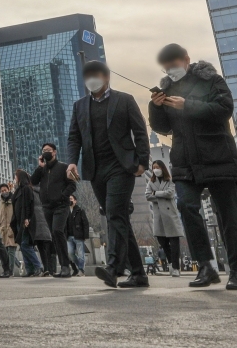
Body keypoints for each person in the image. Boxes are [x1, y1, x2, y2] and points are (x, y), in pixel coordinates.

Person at [148, 44, 237, 291]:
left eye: (174, 64)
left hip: (217, 156)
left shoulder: (211, 80)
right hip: (184, 160)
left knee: (228, 214)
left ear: (186, 59)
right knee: (186, 206)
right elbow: (162, 128)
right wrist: (156, 106)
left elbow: (224, 109)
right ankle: (205, 266)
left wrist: (188, 105)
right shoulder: (167, 88)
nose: (170, 70)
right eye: (166, 66)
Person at [66, 60, 150, 288]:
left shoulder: (125, 100)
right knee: (118, 217)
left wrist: (143, 161)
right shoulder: (80, 106)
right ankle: (139, 273)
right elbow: (74, 137)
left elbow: (140, 132)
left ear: (106, 77)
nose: (92, 79)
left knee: (114, 214)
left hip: (121, 167)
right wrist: (72, 161)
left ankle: (113, 267)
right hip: (96, 170)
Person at [31, 142, 76, 278]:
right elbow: (33, 181)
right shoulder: (43, 170)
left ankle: (65, 267)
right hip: (47, 207)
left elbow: (72, 185)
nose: (45, 152)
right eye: (43, 150)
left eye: (48, 150)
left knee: (57, 231)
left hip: (61, 205)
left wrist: (63, 195)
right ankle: (67, 265)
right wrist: (40, 167)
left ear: (54, 152)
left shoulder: (63, 167)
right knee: (54, 236)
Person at [145, 160, 184, 278]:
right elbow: (147, 196)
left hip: (170, 214)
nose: (155, 169)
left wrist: (156, 193)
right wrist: (162, 195)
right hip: (159, 216)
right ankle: (171, 263)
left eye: (157, 167)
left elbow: (170, 193)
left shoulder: (170, 180)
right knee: (163, 242)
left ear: (162, 168)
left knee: (174, 242)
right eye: (154, 167)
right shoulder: (151, 182)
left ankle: (176, 267)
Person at [0, 182, 19, 275]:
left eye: (5, 190)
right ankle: (17, 265)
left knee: (11, 249)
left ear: (8, 190)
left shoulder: (14, 200)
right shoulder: (0, 202)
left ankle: (10, 271)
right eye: (2, 191)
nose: (3, 192)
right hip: (2, 229)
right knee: (5, 251)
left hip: (11, 228)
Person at [66, 194, 89, 276]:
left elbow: (85, 223)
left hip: (79, 235)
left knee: (80, 254)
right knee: (70, 254)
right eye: (69, 199)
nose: (70, 200)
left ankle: (81, 270)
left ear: (75, 201)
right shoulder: (66, 211)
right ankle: (80, 266)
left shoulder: (80, 210)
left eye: (71, 199)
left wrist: (85, 235)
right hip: (69, 236)